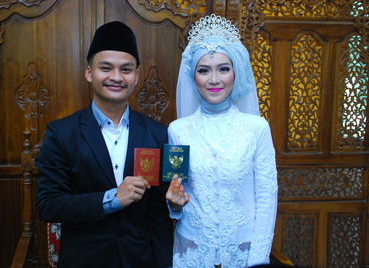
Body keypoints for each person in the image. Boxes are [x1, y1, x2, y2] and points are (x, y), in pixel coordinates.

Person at [36, 21, 173, 268]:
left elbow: (159, 215)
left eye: (126, 69)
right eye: (106, 68)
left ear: (136, 76)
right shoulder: (61, 133)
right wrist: (111, 199)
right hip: (84, 260)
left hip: (140, 260)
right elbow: (48, 205)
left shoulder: (157, 134)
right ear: (89, 72)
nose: (116, 77)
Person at [165, 14, 278, 268]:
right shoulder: (178, 130)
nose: (214, 80)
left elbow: (267, 197)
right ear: (193, 77)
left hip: (243, 251)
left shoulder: (256, 128)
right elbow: (178, 193)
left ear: (236, 73)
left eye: (223, 69)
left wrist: (258, 260)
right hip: (191, 249)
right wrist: (173, 205)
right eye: (204, 70)